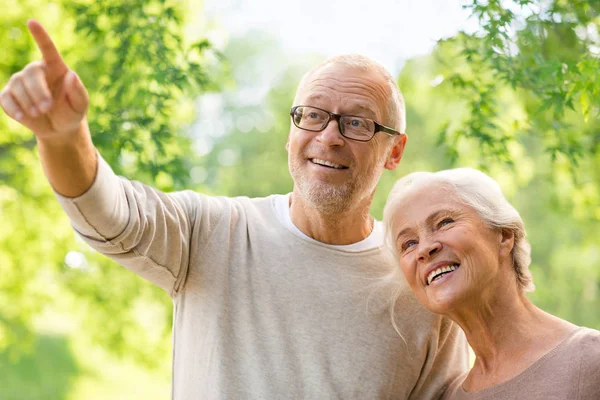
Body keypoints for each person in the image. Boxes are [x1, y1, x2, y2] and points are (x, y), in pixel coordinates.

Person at [1, 20, 468, 399]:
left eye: (357, 123)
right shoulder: (213, 233)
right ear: (291, 131)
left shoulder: (423, 284)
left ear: (395, 151)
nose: (329, 136)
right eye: (313, 115)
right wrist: (63, 138)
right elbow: (110, 214)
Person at [383, 168, 600, 399]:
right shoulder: (448, 396)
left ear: (505, 235)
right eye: (408, 244)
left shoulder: (589, 359)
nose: (425, 249)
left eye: (444, 222)